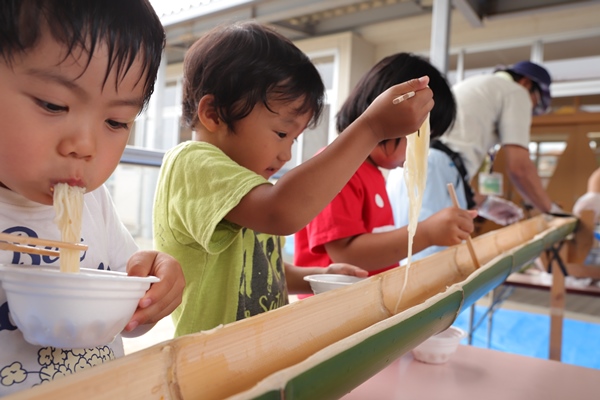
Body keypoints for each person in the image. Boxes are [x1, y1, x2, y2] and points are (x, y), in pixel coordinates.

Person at [152, 22, 433, 336]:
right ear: (214, 114)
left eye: (293, 140)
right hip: (211, 363)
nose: (286, 154)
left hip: (257, 355)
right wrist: (371, 128)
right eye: (281, 133)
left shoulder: (246, 186)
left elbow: (264, 268)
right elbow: (280, 212)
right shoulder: (192, 163)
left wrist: (316, 274)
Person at [0, 0, 185, 395]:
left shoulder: (94, 203)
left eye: (116, 122)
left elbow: (130, 313)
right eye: (53, 104)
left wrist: (154, 285)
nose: (84, 146)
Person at [294, 53, 477, 276]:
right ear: (391, 120)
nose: (421, 151)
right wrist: (427, 233)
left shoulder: (372, 173)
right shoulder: (339, 169)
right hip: (334, 306)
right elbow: (346, 254)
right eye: (419, 138)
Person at [390, 60, 560, 227]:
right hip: (434, 171)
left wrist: (484, 203)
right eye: (534, 103)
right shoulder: (517, 92)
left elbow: (448, 165)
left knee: (409, 251)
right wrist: (551, 210)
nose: (530, 109)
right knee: (437, 252)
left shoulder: (477, 85)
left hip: (406, 169)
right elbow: (520, 168)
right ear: (526, 83)